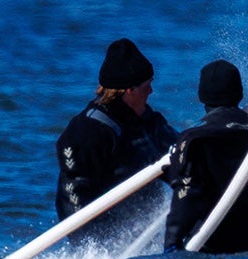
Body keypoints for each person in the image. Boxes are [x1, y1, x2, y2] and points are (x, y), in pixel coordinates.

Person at [55, 38, 179, 236]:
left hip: (145, 232)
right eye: (147, 85)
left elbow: (181, 155)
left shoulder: (149, 123)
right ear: (130, 90)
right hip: (104, 242)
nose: (151, 91)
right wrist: (92, 247)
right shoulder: (87, 131)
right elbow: (73, 196)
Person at [163, 60, 248, 254]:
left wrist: (171, 243)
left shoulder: (194, 138)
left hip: (207, 248)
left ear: (202, 96)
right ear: (239, 92)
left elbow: (186, 195)